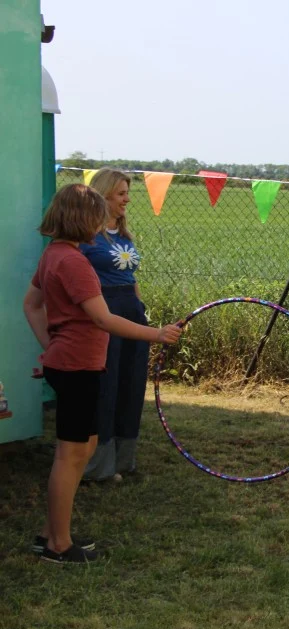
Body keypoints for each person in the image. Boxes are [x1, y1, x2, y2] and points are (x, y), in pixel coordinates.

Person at [23, 184, 181, 563]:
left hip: (73, 362)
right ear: (84, 219)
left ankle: (49, 532)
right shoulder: (74, 263)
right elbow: (103, 318)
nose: (103, 222)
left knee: (84, 446)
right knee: (71, 454)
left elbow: (32, 305)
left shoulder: (54, 254)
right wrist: (157, 334)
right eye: (97, 215)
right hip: (77, 365)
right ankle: (58, 546)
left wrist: (51, 347)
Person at [80, 168, 148, 483]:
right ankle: (99, 467)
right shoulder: (86, 237)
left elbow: (130, 277)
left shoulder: (124, 235)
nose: (127, 199)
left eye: (126, 193)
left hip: (132, 312)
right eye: (121, 193)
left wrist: (141, 309)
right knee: (106, 388)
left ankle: (124, 460)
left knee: (131, 385)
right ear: (103, 194)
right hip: (105, 313)